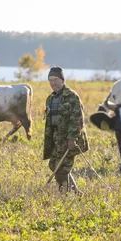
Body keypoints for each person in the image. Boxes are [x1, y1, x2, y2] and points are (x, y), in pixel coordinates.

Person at [43, 66, 89, 194]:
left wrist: (71, 138)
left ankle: (64, 194)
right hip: (55, 138)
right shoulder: (50, 99)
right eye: (50, 80)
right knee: (54, 165)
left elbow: (77, 119)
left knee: (63, 168)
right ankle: (76, 192)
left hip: (69, 138)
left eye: (56, 79)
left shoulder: (72, 96)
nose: (53, 83)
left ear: (62, 80)